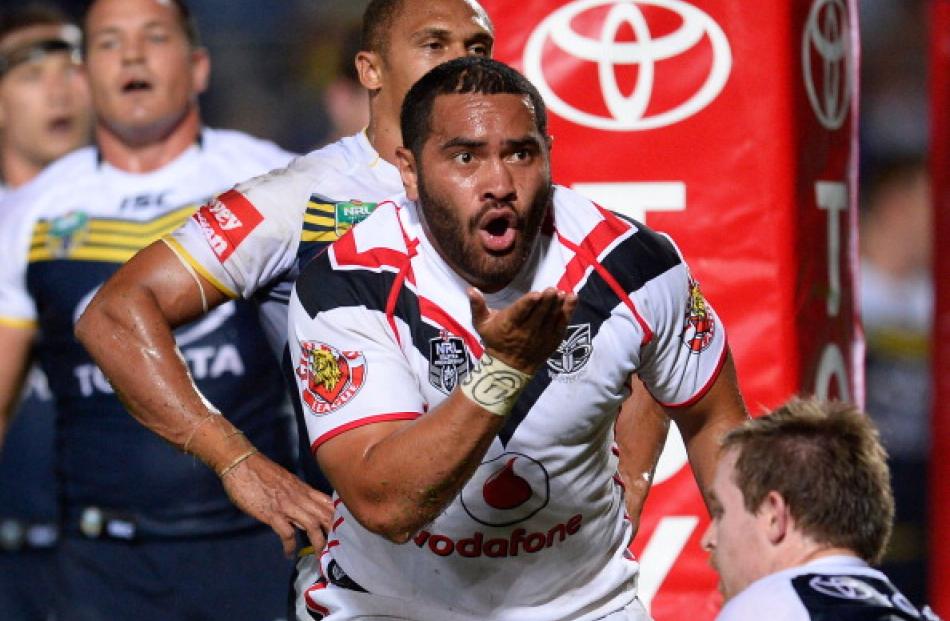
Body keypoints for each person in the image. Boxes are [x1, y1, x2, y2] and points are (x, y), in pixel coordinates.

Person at [76, 3, 672, 616]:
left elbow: (650, 321)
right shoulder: (302, 201)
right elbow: (117, 313)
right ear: (370, 69)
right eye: (434, 45)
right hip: (375, 584)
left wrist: (634, 477)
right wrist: (238, 461)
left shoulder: (524, 187)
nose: (461, 65)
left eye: (477, 48)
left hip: (544, 580)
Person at [285, 56, 747, 620]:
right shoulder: (346, 283)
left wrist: (743, 565)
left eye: (520, 153)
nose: (499, 184)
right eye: (465, 157)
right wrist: (503, 370)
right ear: (409, 169)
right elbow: (385, 503)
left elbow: (714, 415)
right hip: (387, 606)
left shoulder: (632, 262)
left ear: (548, 154)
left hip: (586, 606)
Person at [0, 0, 326, 619]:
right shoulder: (32, 212)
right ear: (87, 74)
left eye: (154, 36)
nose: (131, 55)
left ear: (199, 66)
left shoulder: (272, 179)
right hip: (98, 566)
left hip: (257, 549)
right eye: (108, 43)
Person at [0, 6, 90, 620]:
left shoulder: (153, 221)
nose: (59, 90)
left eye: (73, 68)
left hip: (111, 552)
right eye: (32, 74)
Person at [702, 398, 941, 621]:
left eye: (721, 511)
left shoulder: (764, 609)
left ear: (773, 516)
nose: (708, 539)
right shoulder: (920, 614)